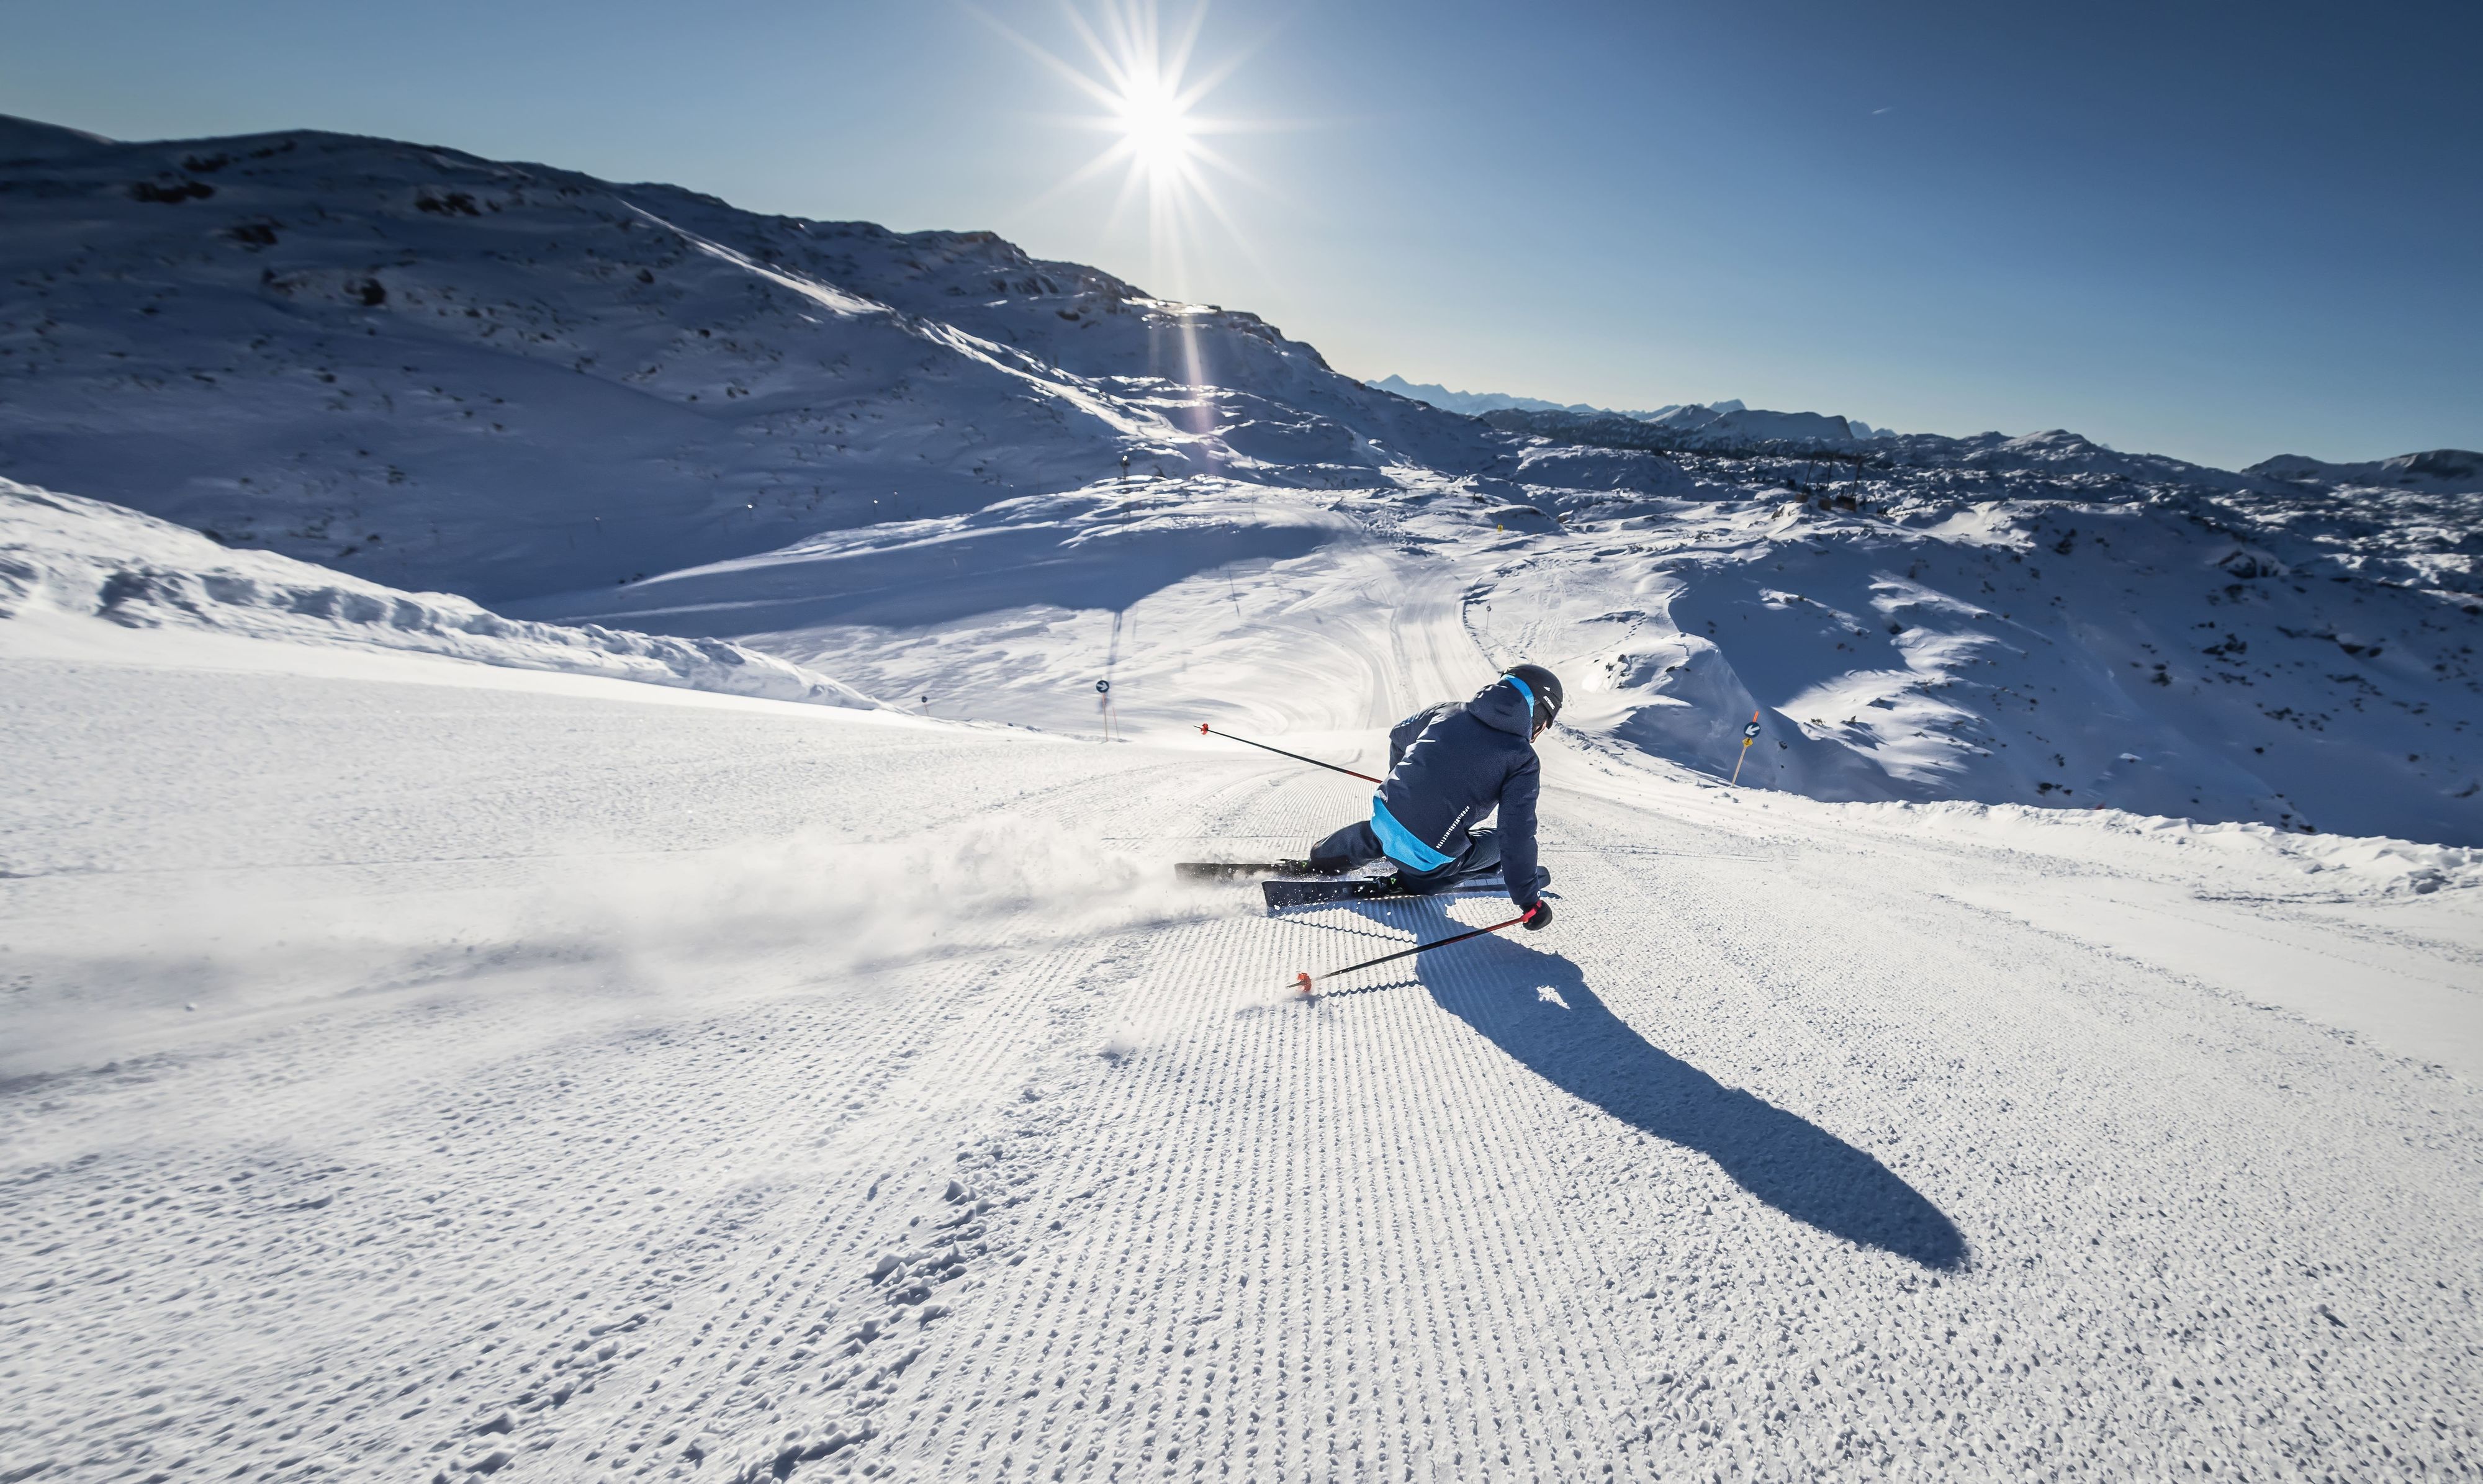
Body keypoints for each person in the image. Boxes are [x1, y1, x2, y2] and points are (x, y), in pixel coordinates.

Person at [1304, 665, 1562, 930]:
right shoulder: (1523, 760)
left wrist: (1408, 784)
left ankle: (1324, 858)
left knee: (1380, 833)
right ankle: (1410, 879)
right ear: (1537, 716)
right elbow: (1516, 835)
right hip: (1430, 857)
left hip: (1385, 815)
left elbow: (1398, 736)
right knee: (1494, 845)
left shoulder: (1448, 711)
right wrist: (1529, 902)